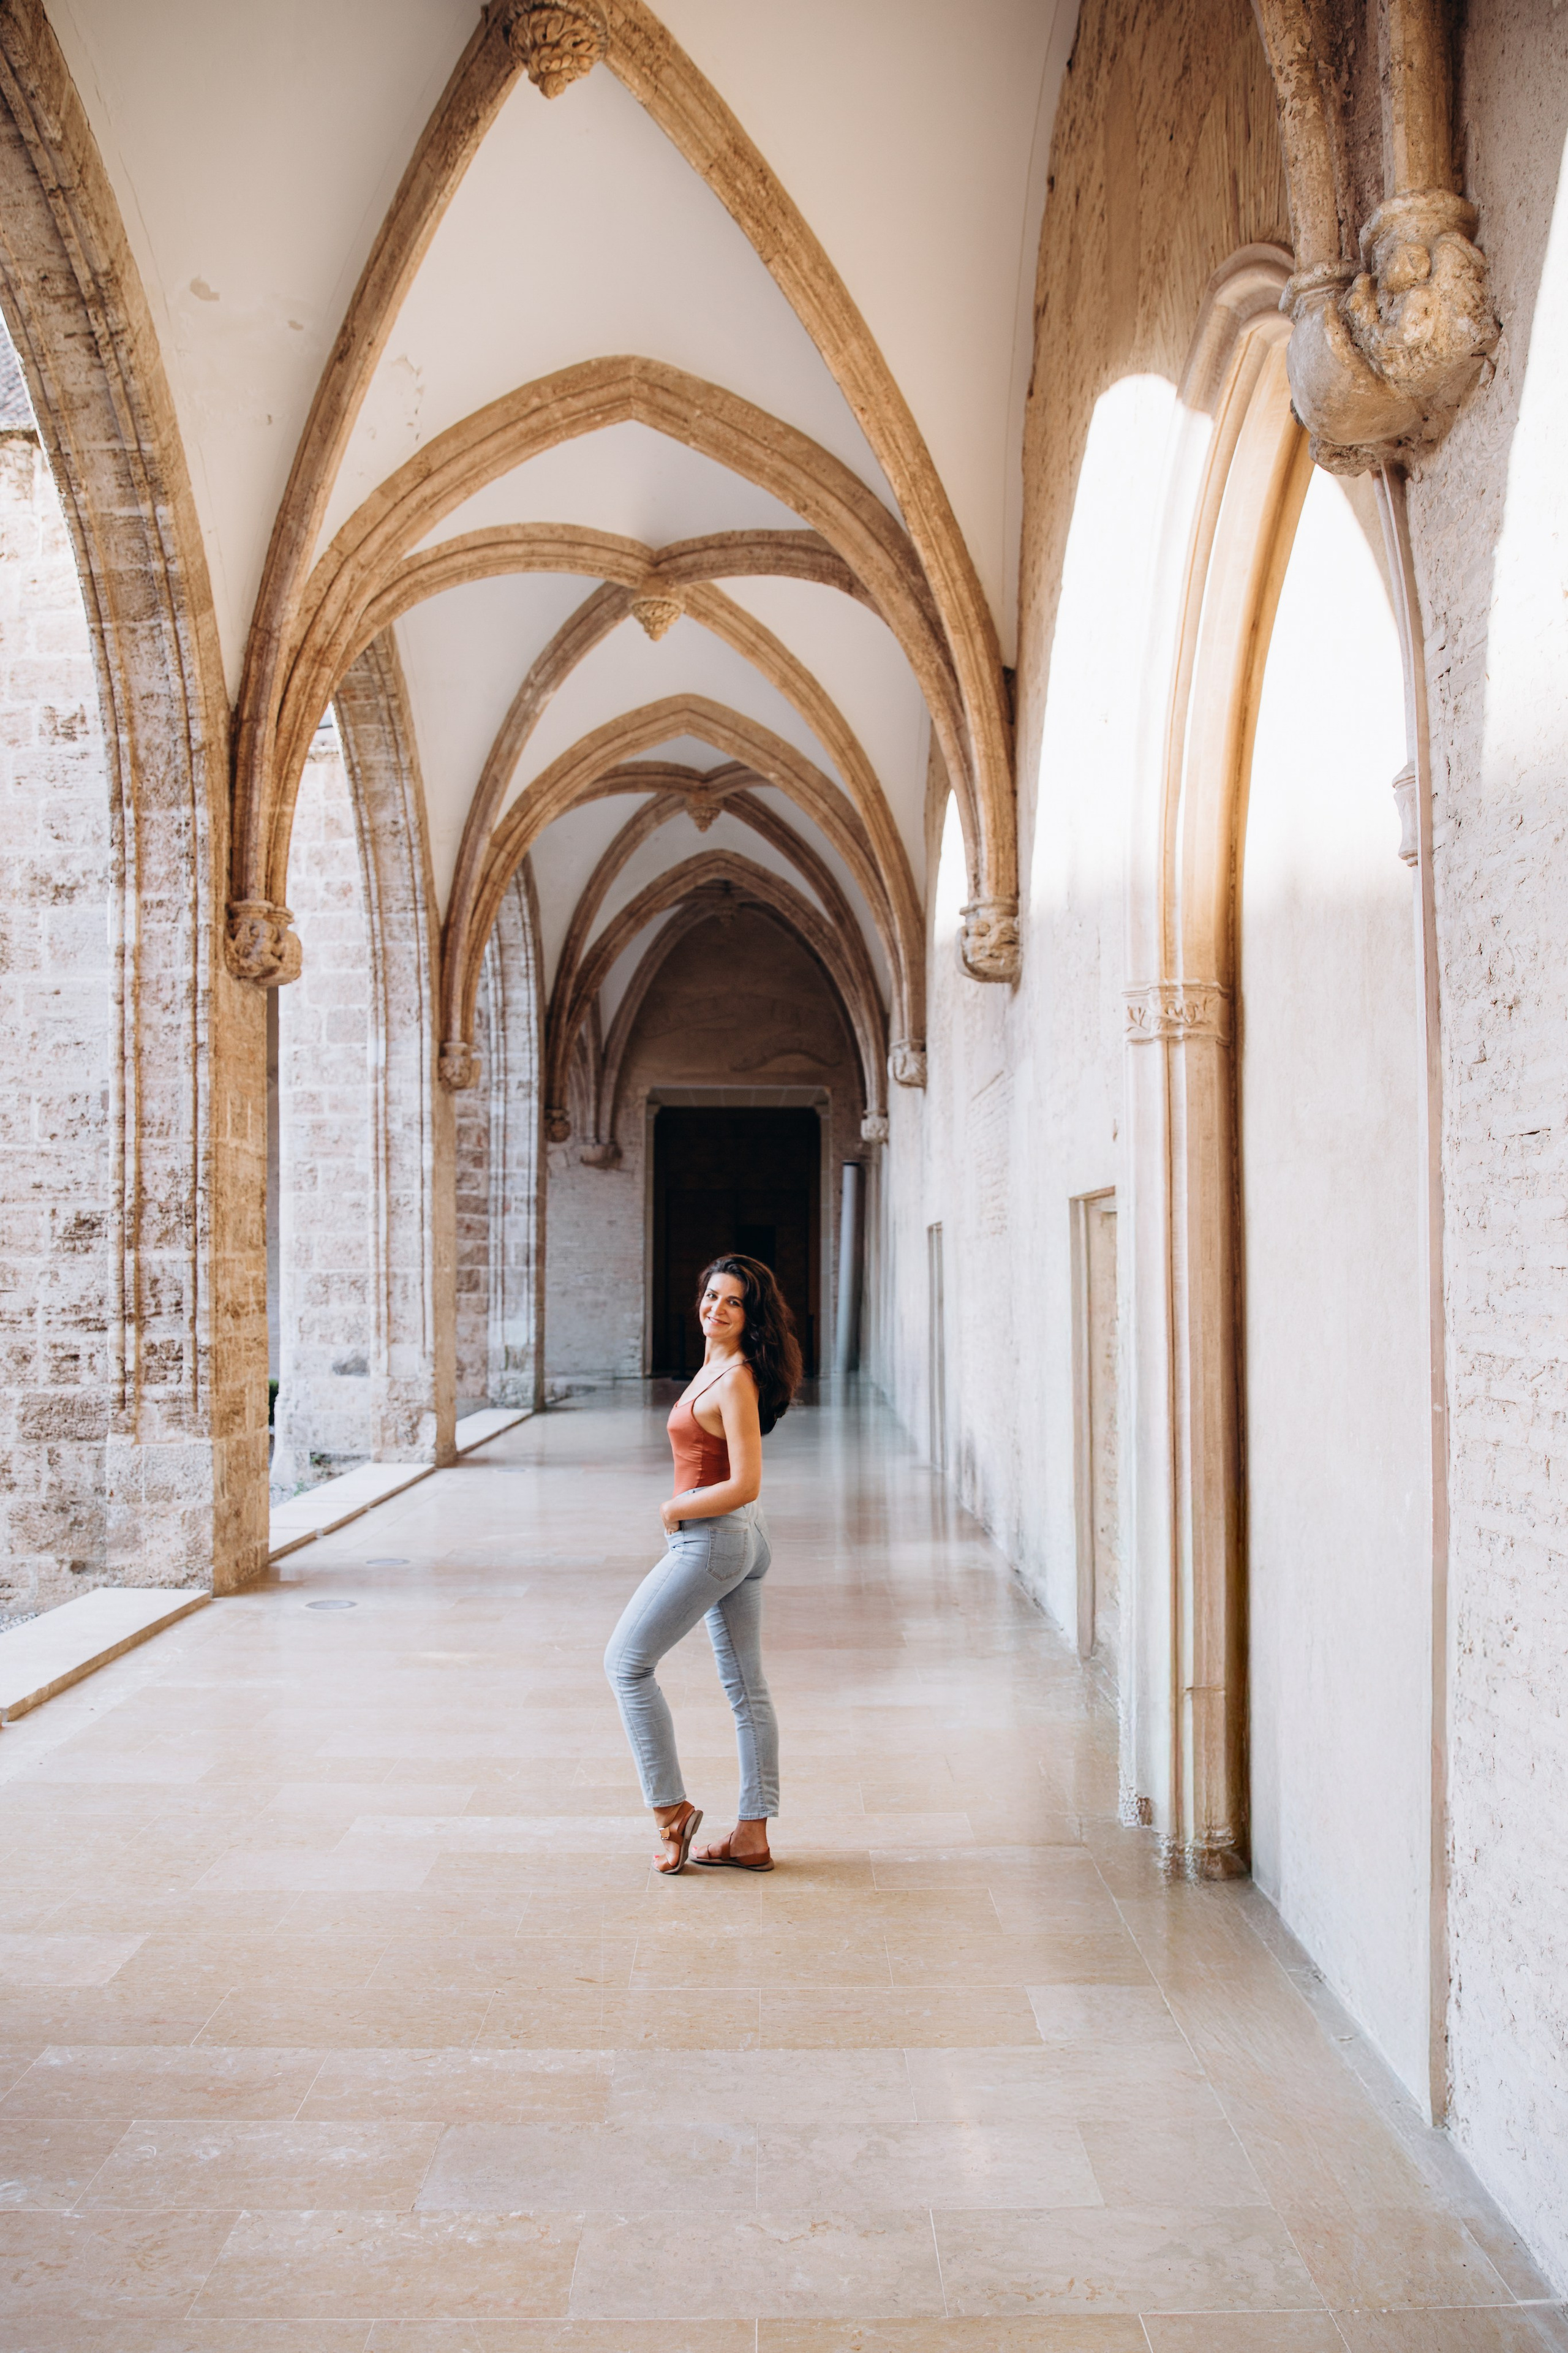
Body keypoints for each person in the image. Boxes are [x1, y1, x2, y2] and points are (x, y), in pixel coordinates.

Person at [604, 1253, 802, 1875]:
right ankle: (752, 1835)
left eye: (732, 1301)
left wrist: (675, 1507)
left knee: (626, 1664)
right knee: (747, 1689)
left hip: (715, 1538)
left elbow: (746, 1481)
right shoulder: (714, 1363)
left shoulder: (737, 1378)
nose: (715, 1308)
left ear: (752, 1316)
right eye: (711, 1295)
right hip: (734, 1537)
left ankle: (671, 1812)